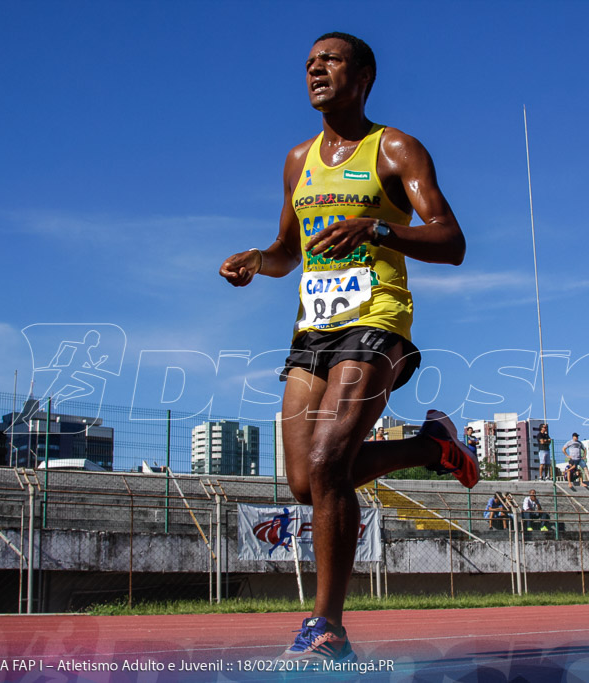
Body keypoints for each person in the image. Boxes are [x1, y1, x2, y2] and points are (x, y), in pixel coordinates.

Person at [220, 31, 478, 663]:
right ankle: (431, 446)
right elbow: (289, 252)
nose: (315, 70)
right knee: (305, 482)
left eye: (329, 61)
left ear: (363, 76)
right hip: (313, 328)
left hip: (379, 318)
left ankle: (326, 626)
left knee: (334, 460)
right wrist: (258, 259)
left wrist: (379, 227)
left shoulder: (395, 148)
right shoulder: (296, 160)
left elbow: (451, 241)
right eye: (309, 63)